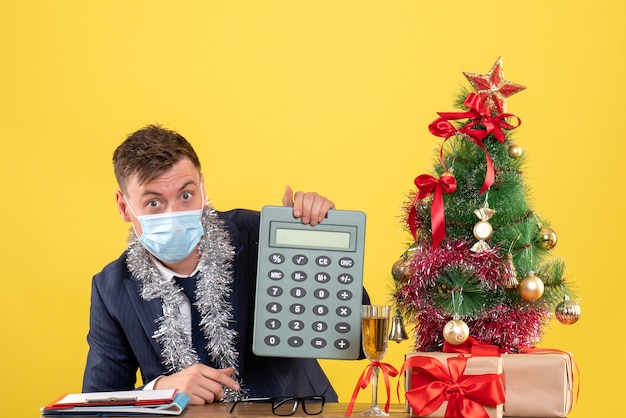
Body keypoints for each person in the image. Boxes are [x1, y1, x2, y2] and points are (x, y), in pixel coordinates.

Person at [82, 124, 369, 405]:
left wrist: (321, 244)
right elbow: (97, 402)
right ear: (123, 207)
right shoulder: (112, 288)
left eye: (186, 195)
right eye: (154, 203)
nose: (175, 214)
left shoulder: (259, 235)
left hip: (295, 411)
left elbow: (357, 337)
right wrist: (158, 390)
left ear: (203, 188)